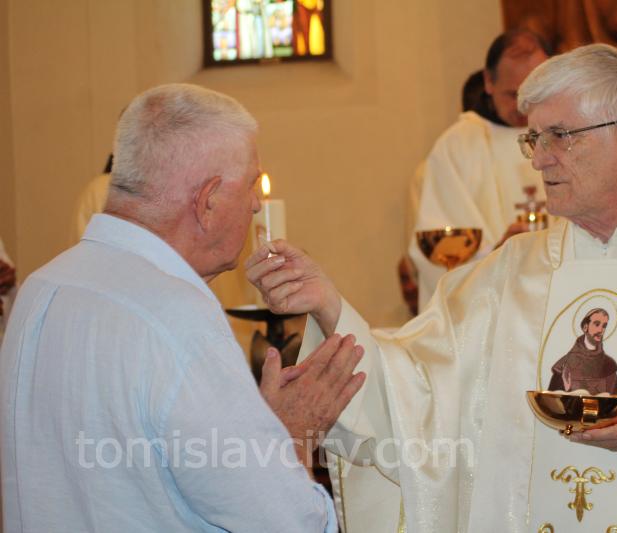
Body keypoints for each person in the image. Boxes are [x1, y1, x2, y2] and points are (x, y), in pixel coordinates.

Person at [248, 44, 617, 531]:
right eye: (534, 138)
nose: (538, 158)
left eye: (559, 136)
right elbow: (413, 390)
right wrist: (329, 305)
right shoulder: (509, 273)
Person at [0, 83, 365, 532]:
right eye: (252, 185)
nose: (256, 204)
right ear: (208, 201)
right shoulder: (178, 318)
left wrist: (256, 432)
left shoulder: (42, 287)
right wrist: (291, 435)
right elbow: (289, 523)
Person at [408, 29, 550, 310]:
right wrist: (496, 257)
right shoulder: (457, 146)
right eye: (512, 94)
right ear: (488, 82)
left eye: (533, 94)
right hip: (492, 307)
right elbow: (440, 252)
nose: (523, 106)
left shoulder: (565, 135)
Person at [548, 308, 617, 395]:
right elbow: (552, 401)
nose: (601, 330)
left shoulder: (608, 364)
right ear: (585, 327)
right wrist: (565, 388)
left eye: (604, 326)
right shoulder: (566, 363)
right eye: (597, 324)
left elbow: (613, 400)